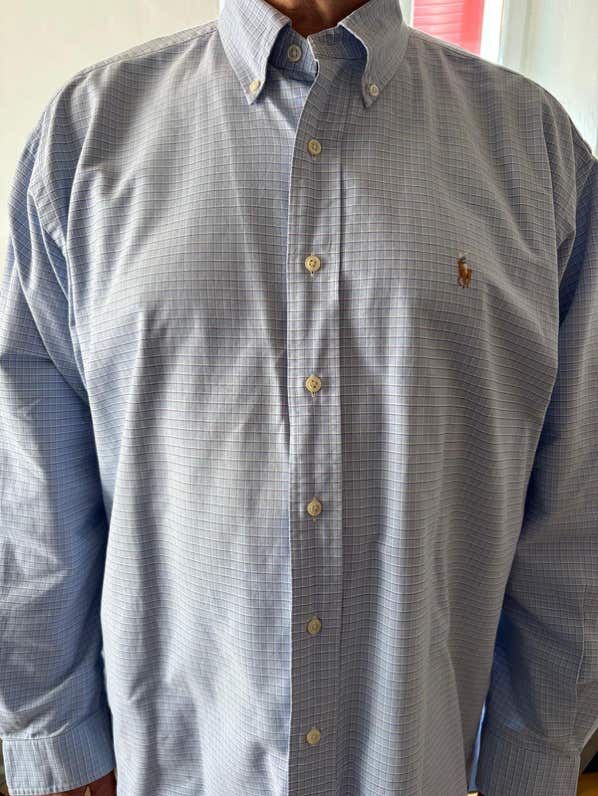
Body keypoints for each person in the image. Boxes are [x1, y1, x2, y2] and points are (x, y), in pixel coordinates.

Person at [1, 0, 597, 792]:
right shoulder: (86, 137)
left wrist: (535, 755)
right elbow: (34, 481)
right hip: (173, 767)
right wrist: (55, 741)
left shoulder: (534, 148)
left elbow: (577, 499)